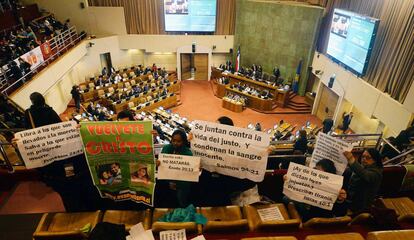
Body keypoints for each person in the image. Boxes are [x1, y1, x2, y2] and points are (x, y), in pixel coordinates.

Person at [283, 159, 348, 222]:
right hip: (307, 214)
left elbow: (342, 213)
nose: (316, 175)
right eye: (315, 171)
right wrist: (290, 182)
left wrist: (340, 200)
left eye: (320, 174)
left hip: (322, 220)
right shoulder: (310, 180)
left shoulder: (337, 188)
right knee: (286, 198)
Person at [157, 129, 193, 207]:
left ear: (183, 141)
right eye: (173, 140)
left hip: (182, 186)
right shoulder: (166, 148)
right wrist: (158, 164)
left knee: (181, 203)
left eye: (178, 141)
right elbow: (163, 168)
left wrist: (177, 184)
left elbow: (188, 174)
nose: (175, 143)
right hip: (166, 183)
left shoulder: (188, 153)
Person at [343, 149, 383, 214]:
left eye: (368, 157)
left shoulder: (376, 173)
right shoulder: (363, 167)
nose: (364, 159)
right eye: (363, 156)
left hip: (361, 208)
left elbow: (364, 174)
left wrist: (351, 159)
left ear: (375, 160)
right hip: (350, 201)